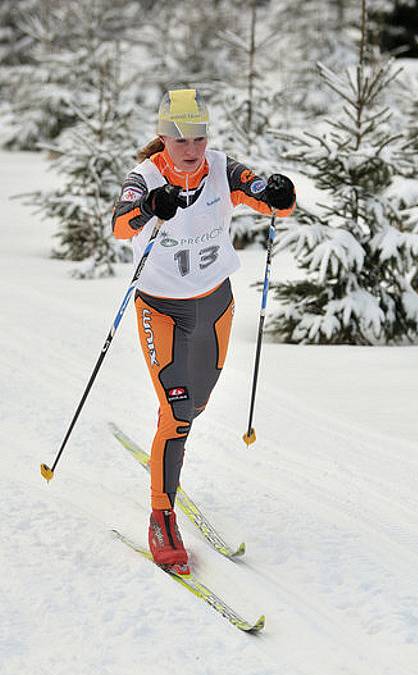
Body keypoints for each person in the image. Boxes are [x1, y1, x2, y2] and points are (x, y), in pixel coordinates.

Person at [112, 88, 295, 572]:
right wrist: (153, 205)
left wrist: (279, 192)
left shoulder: (220, 167)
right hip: (163, 311)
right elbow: (122, 225)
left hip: (215, 306)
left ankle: (166, 444)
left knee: (196, 405)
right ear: (162, 138)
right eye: (178, 139)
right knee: (178, 414)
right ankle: (161, 514)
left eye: (198, 137)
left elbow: (266, 197)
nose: (191, 149)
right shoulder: (145, 177)